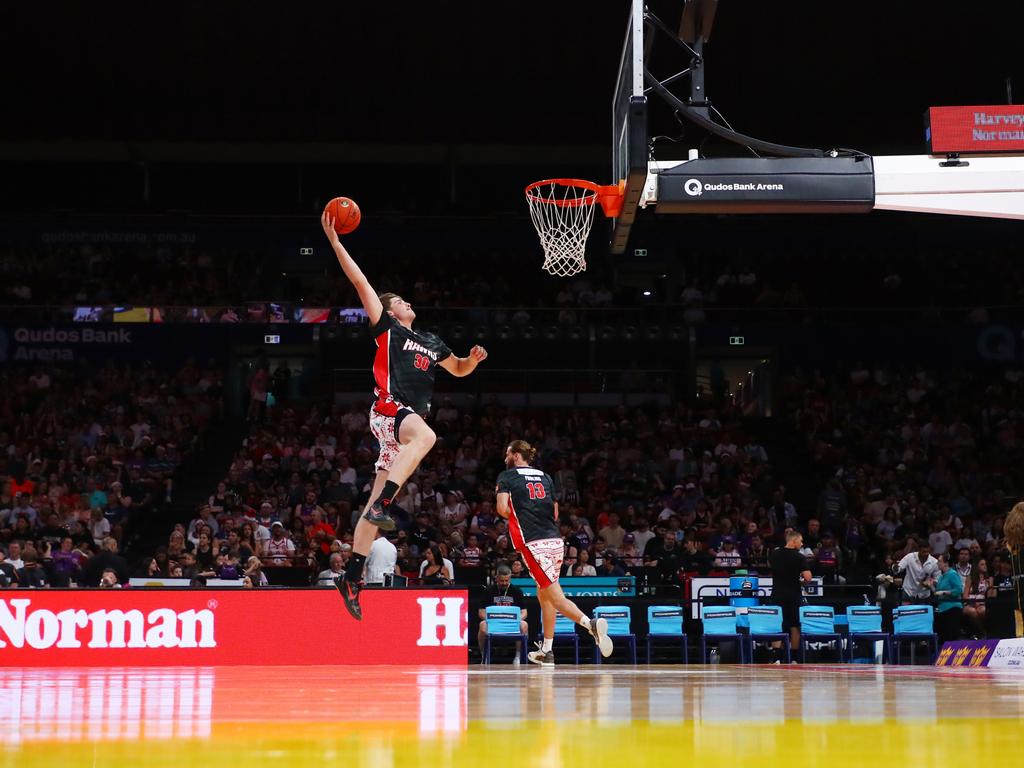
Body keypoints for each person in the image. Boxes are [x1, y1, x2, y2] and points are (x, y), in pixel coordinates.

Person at [322, 210, 488, 620]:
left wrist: (472, 359)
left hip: (404, 420)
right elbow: (360, 282)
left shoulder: (431, 341)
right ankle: (385, 505)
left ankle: (352, 576)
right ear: (390, 312)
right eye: (399, 301)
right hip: (389, 408)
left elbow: (459, 370)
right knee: (427, 438)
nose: (407, 301)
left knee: (371, 512)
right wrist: (336, 241)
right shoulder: (386, 329)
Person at [494, 439, 612, 666]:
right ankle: (547, 650)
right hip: (555, 541)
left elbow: (501, 508)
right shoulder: (546, 477)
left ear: (517, 455)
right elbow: (555, 513)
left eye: (508, 453)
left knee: (555, 597)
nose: (505, 457)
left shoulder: (507, 476)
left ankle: (591, 624)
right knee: (544, 593)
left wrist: (522, 516)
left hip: (533, 543)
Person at [770, 529, 813, 654]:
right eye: (800, 541)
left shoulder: (774, 554)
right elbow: (808, 578)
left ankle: (776, 656)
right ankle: (794, 657)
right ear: (794, 541)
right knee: (795, 625)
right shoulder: (799, 557)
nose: (801, 544)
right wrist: (801, 582)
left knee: (777, 624)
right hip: (793, 595)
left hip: (777, 594)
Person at [478, 563, 528, 665]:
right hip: (493, 622)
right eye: (501, 581)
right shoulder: (488, 591)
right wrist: (490, 619)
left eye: (507, 580)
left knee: (524, 625)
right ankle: (484, 655)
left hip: (512, 623)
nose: (504, 583)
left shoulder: (517, 591)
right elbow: (481, 611)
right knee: (482, 626)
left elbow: (524, 612)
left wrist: (517, 619)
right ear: (496, 578)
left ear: (510, 578)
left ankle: (518, 656)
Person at [896, 540, 940, 604]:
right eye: (924, 552)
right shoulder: (910, 557)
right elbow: (899, 568)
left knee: (923, 613)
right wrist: (895, 567)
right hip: (908, 592)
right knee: (906, 613)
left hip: (924, 595)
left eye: (928, 551)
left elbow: (937, 579)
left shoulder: (934, 562)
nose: (926, 554)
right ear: (919, 550)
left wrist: (930, 583)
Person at [933, 554, 964, 644]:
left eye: (939, 561)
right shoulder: (941, 576)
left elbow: (958, 590)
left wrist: (944, 592)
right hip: (942, 609)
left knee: (952, 637)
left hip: (952, 608)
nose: (937, 563)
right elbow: (938, 592)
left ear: (946, 563)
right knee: (944, 636)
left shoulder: (952, 574)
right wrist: (930, 586)